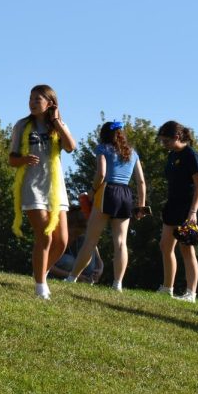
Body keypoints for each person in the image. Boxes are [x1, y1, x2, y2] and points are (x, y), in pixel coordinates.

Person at [8, 85, 77, 299]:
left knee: (62, 241)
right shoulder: (22, 125)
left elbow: (70, 147)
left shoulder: (57, 126)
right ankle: (40, 286)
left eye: (38, 99)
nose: (32, 102)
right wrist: (24, 160)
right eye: (31, 98)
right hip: (32, 187)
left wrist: (56, 120)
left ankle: (41, 272)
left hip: (55, 189)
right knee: (45, 235)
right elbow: (11, 159)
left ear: (50, 103)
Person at [66, 121, 148, 291]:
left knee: (91, 239)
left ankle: (72, 278)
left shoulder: (102, 148)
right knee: (120, 243)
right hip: (126, 194)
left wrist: (92, 191)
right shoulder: (132, 153)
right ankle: (117, 284)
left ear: (103, 135)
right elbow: (140, 181)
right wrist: (141, 205)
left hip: (107, 191)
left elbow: (101, 173)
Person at [157, 120, 198, 302]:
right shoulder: (171, 156)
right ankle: (167, 288)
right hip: (172, 205)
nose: (164, 144)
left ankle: (191, 293)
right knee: (165, 245)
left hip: (188, 208)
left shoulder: (191, 155)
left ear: (177, 137)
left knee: (187, 249)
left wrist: (193, 211)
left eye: (166, 141)